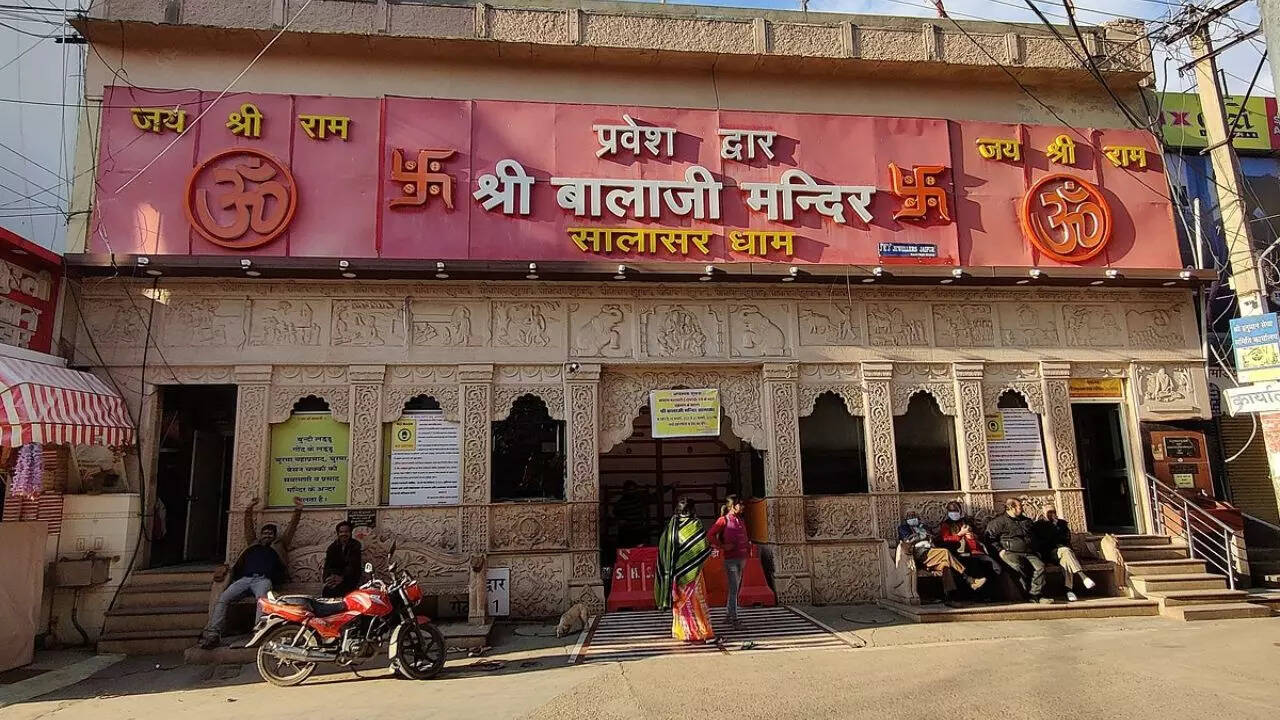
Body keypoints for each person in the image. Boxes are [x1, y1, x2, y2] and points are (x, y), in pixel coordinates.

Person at [199, 496, 303, 648]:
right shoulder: (253, 544)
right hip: (245, 579)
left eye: (270, 534)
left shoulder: (279, 546)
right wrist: (249, 508)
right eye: (265, 533)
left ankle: (259, 633)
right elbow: (248, 526)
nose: (267, 536)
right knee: (223, 598)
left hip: (263, 580)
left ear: (274, 536)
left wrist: (298, 509)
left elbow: (291, 528)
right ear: (261, 535)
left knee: (262, 602)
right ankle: (213, 633)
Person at [655, 497, 716, 644]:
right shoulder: (695, 524)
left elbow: (664, 547)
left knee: (681, 604)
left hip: (675, 573)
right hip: (692, 573)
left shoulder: (671, 526)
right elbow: (701, 545)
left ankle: (684, 633)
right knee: (696, 602)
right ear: (693, 510)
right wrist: (709, 551)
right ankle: (702, 632)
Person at [897, 510, 987, 605]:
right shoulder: (903, 528)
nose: (912, 518)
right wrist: (921, 536)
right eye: (910, 517)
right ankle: (969, 579)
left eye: (914, 516)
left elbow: (932, 536)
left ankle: (950, 598)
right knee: (945, 552)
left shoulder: (924, 527)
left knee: (945, 566)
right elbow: (908, 539)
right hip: (920, 553)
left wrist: (926, 535)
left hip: (932, 552)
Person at [986, 498, 1050, 604]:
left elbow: (1034, 536)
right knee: (1017, 566)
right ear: (1011, 507)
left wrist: (1036, 549)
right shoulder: (998, 522)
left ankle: (1035, 594)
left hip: (1029, 552)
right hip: (1009, 551)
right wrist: (1000, 550)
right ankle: (1025, 593)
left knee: (1040, 567)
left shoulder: (1026, 521)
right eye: (1020, 507)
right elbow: (989, 538)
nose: (1022, 509)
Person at [1033, 504, 1097, 602]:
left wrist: (1057, 528)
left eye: (1053, 512)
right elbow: (1043, 542)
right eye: (1049, 512)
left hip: (1064, 552)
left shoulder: (1062, 524)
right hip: (1049, 553)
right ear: (1043, 513)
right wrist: (1053, 529)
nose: (1052, 514)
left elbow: (1066, 539)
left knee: (1066, 558)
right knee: (1066, 552)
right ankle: (1082, 576)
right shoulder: (1039, 525)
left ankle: (1069, 590)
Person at [708, 494, 751, 629]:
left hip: (741, 557)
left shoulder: (740, 519)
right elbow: (710, 535)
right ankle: (734, 618)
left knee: (735, 589)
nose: (743, 507)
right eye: (740, 504)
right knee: (733, 589)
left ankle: (728, 615)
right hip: (731, 559)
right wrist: (722, 546)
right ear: (733, 506)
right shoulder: (724, 520)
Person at [938, 501, 1001, 580]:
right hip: (961, 553)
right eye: (951, 511)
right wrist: (959, 534)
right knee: (975, 567)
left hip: (976, 551)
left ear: (960, 511)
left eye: (956, 511)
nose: (954, 513)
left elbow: (980, 535)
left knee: (995, 567)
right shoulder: (946, 524)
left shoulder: (967, 521)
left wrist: (973, 536)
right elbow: (945, 539)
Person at [322, 520, 364, 598]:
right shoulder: (332, 547)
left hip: (350, 578)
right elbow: (328, 565)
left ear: (350, 533)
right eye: (341, 532)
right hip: (335, 578)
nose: (344, 534)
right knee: (327, 591)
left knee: (341, 590)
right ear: (338, 533)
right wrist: (329, 578)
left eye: (346, 532)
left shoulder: (355, 545)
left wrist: (342, 578)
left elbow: (353, 565)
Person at [613, 481, 651, 548]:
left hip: (638, 531)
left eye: (633, 490)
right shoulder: (620, 503)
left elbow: (655, 496)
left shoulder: (640, 499)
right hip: (626, 532)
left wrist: (670, 486)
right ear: (625, 491)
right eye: (629, 490)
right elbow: (616, 516)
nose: (631, 492)